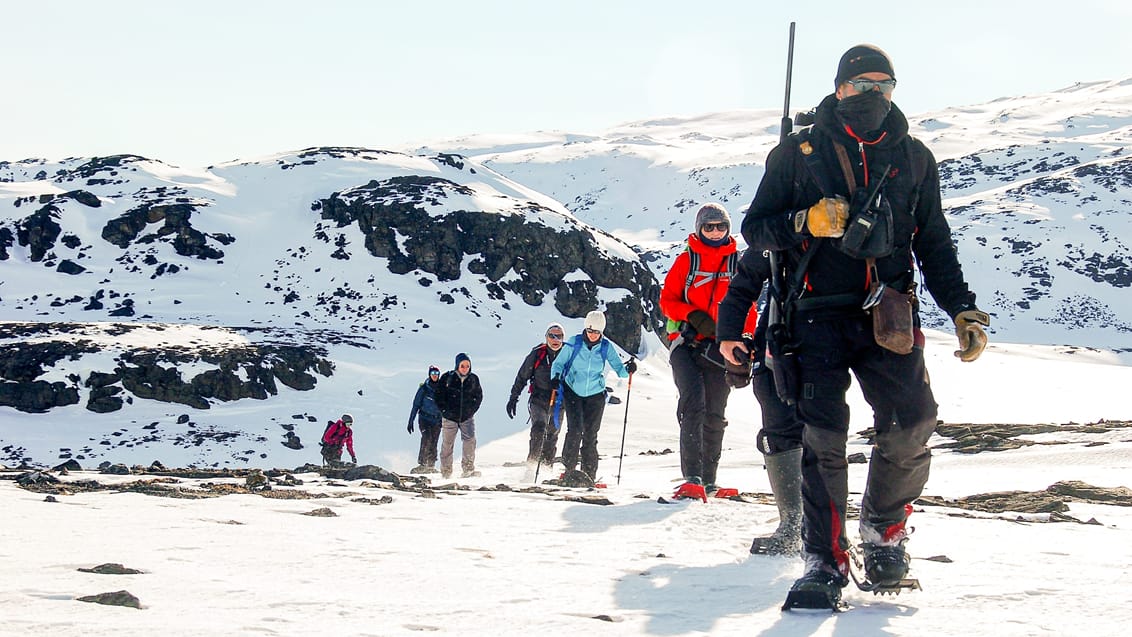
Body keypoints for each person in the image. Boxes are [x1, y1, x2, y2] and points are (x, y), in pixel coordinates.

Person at [740, 44, 990, 606]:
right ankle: (824, 562)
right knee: (823, 440)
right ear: (839, 89)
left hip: (889, 314)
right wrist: (806, 221)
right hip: (813, 317)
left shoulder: (915, 158)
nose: (873, 95)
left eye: (885, 85)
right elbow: (756, 230)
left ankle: (884, 533)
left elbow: (934, 243)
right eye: (862, 86)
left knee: (912, 421)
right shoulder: (796, 153)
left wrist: (962, 307)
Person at [659, 203, 755, 501]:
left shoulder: (737, 264)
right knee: (694, 404)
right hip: (685, 344)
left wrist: (745, 338)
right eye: (709, 226)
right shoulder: (686, 261)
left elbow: (748, 306)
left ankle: (709, 481)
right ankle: (692, 477)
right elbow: (666, 301)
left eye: (720, 226)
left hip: (720, 347)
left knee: (716, 411)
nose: (715, 231)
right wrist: (692, 316)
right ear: (699, 228)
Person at [718, 248, 804, 555]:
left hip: (822, 329)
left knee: (817, 424)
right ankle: (796, 523)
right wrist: (728, 333)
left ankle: (806, 525)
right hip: (778, 334)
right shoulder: (776, 224)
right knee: (778, 418)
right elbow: (746, 281)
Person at [550, 310, 634, 482]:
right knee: (575, 430)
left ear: (601, 331)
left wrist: (629, 369)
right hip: (573, 390)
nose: (592, 335)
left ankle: (589, 474)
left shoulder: (606, 347)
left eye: (596, 332)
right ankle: (568, 470)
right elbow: (558, 364)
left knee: (591, 434)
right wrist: (555, 377)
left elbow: (620, 370)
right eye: (590, 331)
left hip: (595, 395)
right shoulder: (574, 342)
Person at [506, 323, 566, 468]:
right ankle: (532, 465)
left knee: (552, 436)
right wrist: (513, 398)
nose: (555, 339)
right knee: (539, 429)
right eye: (552, 336)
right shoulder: (537, 354)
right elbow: (522, 376)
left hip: (559, 402)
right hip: (538, 399)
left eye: (559, 336)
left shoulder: (568, 354)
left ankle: (546, 467)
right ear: (546, 337)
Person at [434, 353, 483, 479]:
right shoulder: (447, 378)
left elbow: (478, 396)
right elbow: (438, 396)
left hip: (467, 418)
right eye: (462, 366)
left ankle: (468, 469)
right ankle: (446, 472)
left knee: (470, 441)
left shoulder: (473, 379)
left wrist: (471, 411)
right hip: (449, 419)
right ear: (457, 365)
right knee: (447, 444)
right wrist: (445, 411)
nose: (465, 368)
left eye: (467, 366)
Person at [407, 365, 443, 474]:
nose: (435, 376)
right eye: (433, 374)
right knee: (426, 437)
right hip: (424, 419)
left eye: (436, 374)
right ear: (429, 375)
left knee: (434, 441)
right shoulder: (424, 389)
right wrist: (411, 421)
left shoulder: (442, 389)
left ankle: (431, 465)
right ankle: (422, 463)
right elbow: (416, 405)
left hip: (437, 420)